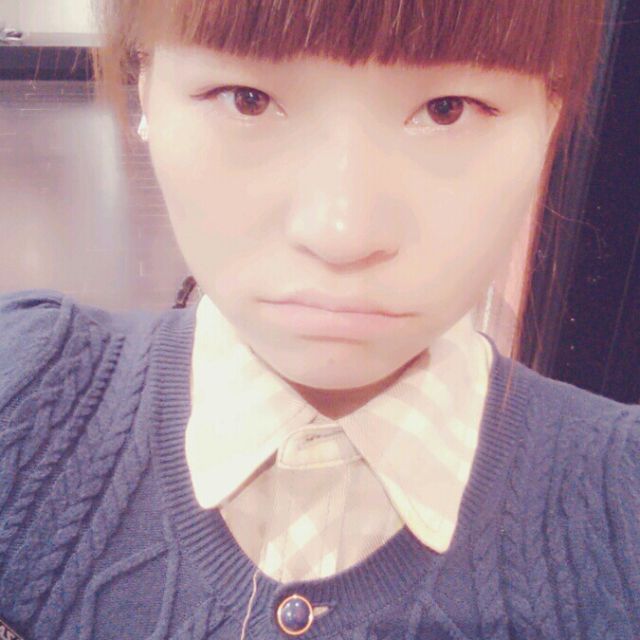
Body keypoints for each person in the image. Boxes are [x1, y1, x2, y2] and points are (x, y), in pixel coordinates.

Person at [0, 1, 638, 639]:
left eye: (448, 109)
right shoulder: (21, 395)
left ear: (550, 119)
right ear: (147, 90)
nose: (341, 233)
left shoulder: (621, 508)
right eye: (248, 100)